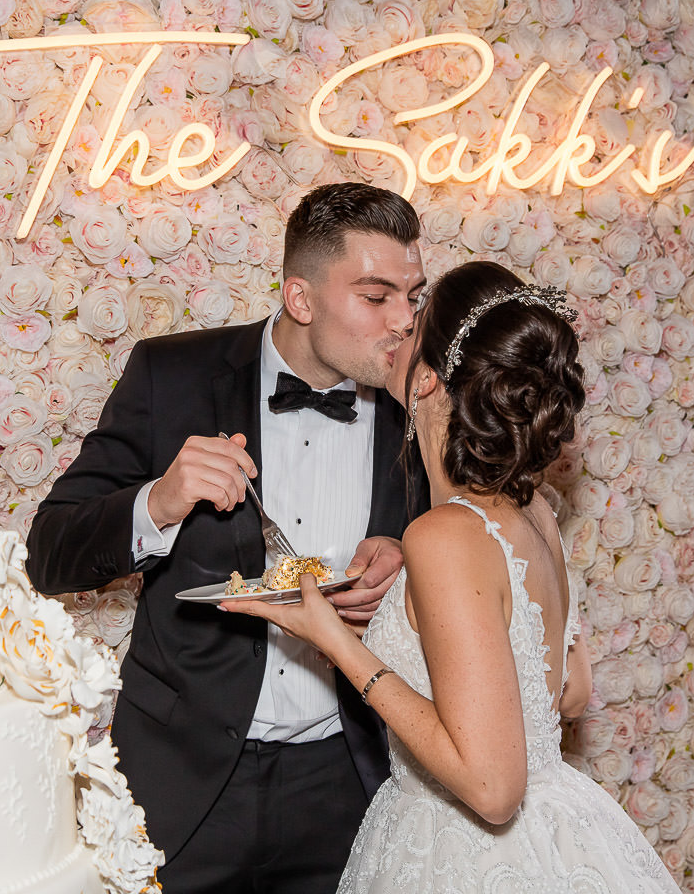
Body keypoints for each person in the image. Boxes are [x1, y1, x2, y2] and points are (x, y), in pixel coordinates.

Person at [222, 260, 682, 893]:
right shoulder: (534, 510)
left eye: (411, 326)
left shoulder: (443, 534)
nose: (394, 331)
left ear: (429, 378)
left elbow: (492, 790)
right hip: (562, 831)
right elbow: (569, 692)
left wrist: (337, 643)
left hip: (467, 854)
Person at [26, 182, 430, 894]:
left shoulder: (420, 404)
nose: (403, 321)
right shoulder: (172, 374)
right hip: (184, 784)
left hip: (349, 784)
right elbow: (48, 553)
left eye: (413, 295)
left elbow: (463, 543)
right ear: (301, 299)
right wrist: (161, 500)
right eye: (376, 297)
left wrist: (406, 555)